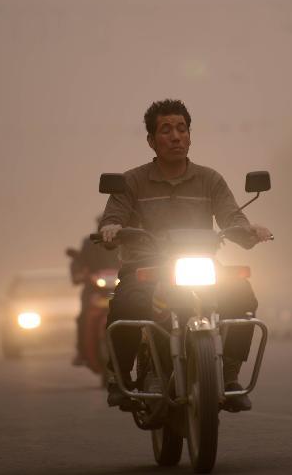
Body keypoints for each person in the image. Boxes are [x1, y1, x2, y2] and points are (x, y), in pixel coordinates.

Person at [99, 99, 273, 411]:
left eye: (182, 128)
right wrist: (111, 228)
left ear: (190, 135)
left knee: (242, 296)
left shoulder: (210, 180)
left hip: (201, 264)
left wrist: (249, 231)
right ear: (151, 141)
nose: (176, 136)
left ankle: (229, 374)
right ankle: (119, 376)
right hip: (146, 268)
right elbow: (114, 218)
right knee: (127, 304)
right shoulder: (132, 182)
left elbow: (232, 218)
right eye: (166, 130)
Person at [67, 217, 120, 366]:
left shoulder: (123, 242)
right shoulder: (88, 243)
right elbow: (80, 262)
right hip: (94, 289)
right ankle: (81, 351)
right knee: (83, 317)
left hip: (119, 287)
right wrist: (79, 275)